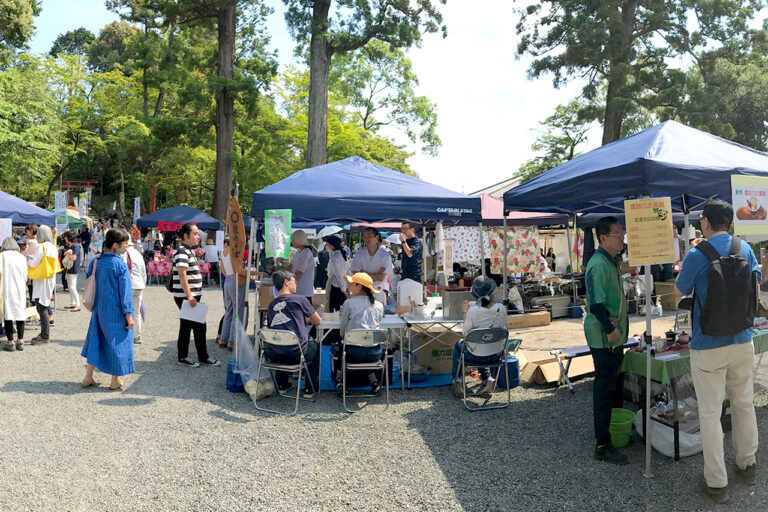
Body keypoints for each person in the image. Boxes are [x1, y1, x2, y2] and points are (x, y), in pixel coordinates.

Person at [675, 199, 760, 504]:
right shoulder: (746, 249)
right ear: (731, 222)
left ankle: (717, 483)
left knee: (710, 413)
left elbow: (681, 290)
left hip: (708, 344)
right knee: (744, 404)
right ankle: (747, 464)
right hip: (742, 340)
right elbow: (757, 284)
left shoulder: (698, 254)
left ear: (706, 223)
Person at [583, 216, 628, 465]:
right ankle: (602, 443)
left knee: (614, 384)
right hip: (603, 336)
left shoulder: (611, 261)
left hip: (613, 334)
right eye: (618, 234)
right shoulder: (598, 264)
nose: (622, 238)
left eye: (622, 233)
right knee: (604, 387)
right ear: (602, 238)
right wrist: (610, 328)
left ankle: (615, 432)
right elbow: (595, 304)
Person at [80, 229, 134, 390]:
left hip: (99, 308)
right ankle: (114, 380)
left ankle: (88, 376)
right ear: (116, 245)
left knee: (96, 340)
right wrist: (129, 314)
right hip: (116, 310)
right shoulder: (120, 265)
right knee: (118, 342)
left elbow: (90, 280)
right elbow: (125, 293)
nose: (126, 246)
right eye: (124, 244)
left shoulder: (96, 261)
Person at [265, 270, 322, 395]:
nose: (296, 285)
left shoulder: (271, 305)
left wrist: (301, 320)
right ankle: (310, 387)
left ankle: (282, 384)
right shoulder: (300, 299)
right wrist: (308, 320)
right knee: (316, 346)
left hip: (274, 354)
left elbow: (276, 329)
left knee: (281, 340)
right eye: (294, 282)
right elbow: (317, 320)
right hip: (297, 354)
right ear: (286, 282)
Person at [171, 223, 219, 368]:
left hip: (190, 295)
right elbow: (182, 274)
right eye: (195, 234)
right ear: (186, 236)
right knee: (190, 326)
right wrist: (190, 296)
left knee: (197, 326)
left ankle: (200, 356)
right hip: (187, 296)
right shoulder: (181, 251)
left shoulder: (187, 250)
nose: (198, 237)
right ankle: (185, 356)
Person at [451, 276, 507, 397]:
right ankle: (487, 378)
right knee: (483, 344)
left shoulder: (473, 311)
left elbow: (465, 334)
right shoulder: (502, 309)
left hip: (475, 356)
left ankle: (458, 381)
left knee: (459, 345)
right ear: (492, 292)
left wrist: (465, 312)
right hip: (497, 355)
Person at [331, 272, 385, 394]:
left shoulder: (349, 303)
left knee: (342, 347)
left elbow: (343, 329)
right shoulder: (379, 305)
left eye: (351, 284)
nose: (349, 286)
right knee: (365, 342)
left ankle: (340, 381)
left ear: (359, 286)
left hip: (353, 353)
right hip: (375, 353)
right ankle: (374, 381)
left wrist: (344, 335)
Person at [28, 225, 58, 345]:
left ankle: (45, 336)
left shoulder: (41, 247)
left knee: (41, 308)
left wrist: (28, 259)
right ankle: (43, 334)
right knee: (44, 306)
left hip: (41, 280)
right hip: (49, 279)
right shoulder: (53, 247)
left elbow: (34, 263)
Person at [350, 227, 393, 303]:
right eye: (365, 236)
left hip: (379, 290)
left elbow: (381, 278)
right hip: (363, 290)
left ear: (376, 237)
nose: (367, 239)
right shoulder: (360, 253)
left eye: (370, 236)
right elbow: (356, 275)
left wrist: (364, 274)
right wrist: (375, 275)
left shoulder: (385, 255)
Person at [1, 237, 28, 351]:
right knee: (20, 314)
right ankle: (20, 341)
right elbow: (25, 274)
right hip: (20, 287)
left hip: (6, 288)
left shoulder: (2, 256)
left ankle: (10, 342)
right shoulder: (21, 257)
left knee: (8, 315)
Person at [220, 237, 247, 350]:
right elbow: (240, 271)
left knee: (229, 311)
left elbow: (223, 270)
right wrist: (254, 272)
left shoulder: (223, 252)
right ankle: (232, 340)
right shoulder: (235, 253)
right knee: (238, 312)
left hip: (227, 281)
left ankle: (223, 339)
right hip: (236, 281)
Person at [124, 239, 147, 344]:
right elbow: (144, 271)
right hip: (140, 285)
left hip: (130, 285)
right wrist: (143, 284)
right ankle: (137, 336)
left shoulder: (124, 253)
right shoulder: (138, 253)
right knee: (136, 312)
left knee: (126, 310)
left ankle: (127, 334)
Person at [288, 230, 316, 302]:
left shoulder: (306, 252)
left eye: (293, 240)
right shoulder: (298, 251)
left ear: (298, 240)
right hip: (298, 288)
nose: (292, 242)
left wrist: (290, 280)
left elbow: (300, 271)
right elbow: (291, 264)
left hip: (304, 290)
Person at [325, 235, 350, 312]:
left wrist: (343, 290)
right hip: (343, 284)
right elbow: (348, 271)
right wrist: (347, 286)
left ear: (332, 245)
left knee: (334, 310)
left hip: (336, 285)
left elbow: (338, 274)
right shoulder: (343, 254)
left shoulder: (334, 257)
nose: (326, 246)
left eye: (327, 244)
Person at [62, 231, 83, 312]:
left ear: (69, 238)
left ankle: (78, 304)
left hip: (73, 268)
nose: (65, 238)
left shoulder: (76, 246)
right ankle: (73, 303)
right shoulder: (71, 246)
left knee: (72, 287)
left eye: (66, 237)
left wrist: (66, 254)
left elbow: (73, 258)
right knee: (70, 287)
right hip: (69, 268)